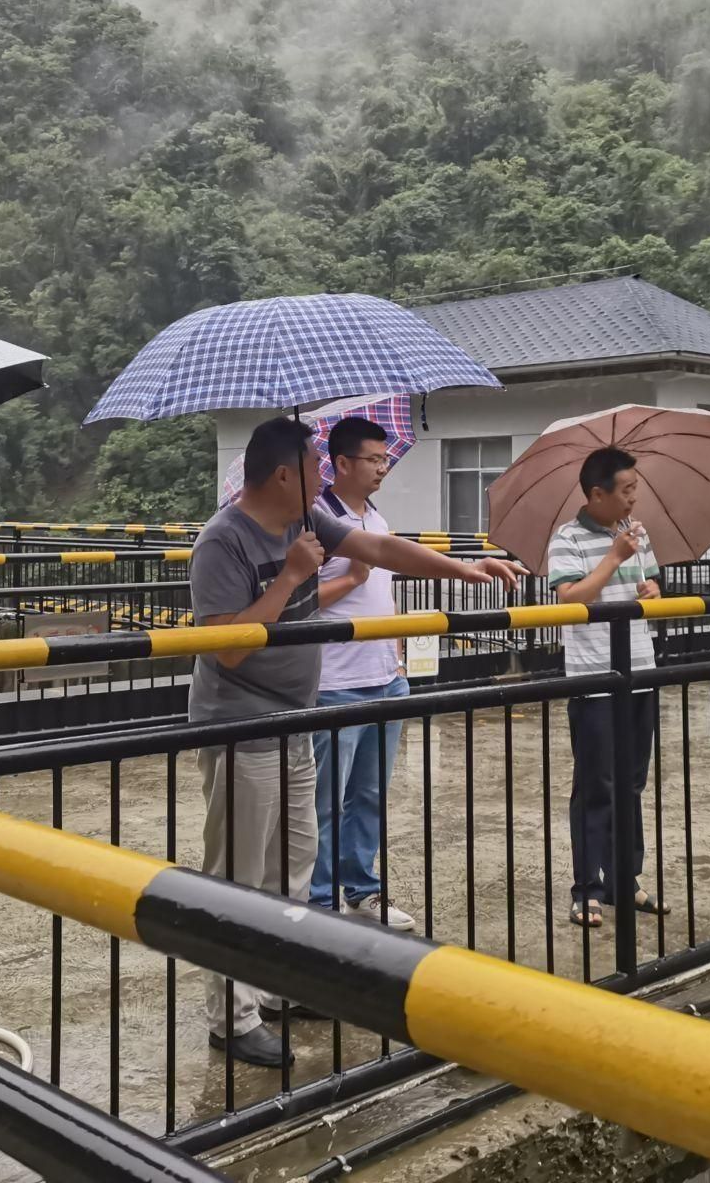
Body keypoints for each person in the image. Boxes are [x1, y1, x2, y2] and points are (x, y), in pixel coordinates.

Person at [191, 416, 523, 1069]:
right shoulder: (221, 541)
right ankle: (229, 1016)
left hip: (297, 715)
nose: (324, 477)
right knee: (237, 872)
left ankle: (282, 985)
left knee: (293, 864)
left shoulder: (308, 523)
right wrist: (289, 579)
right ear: (286, 474)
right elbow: (225, 649)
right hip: (240, 723)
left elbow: (380, 552)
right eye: (316, 465)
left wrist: (462, 568)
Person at [547, 447, 667, 929]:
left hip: (640, 671)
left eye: (636, 488)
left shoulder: (636, 534)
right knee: (596, 784)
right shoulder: (568, 538)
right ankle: (586, 889)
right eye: (627, 490)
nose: (634, 499)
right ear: (597, 494)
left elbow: (655, 591)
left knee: (633, 783)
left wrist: (653, 593)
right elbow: (570, 597)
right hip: (594, 676)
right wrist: (614, 559)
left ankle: (624, 880)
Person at [308, 417, 414, 930]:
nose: (382, 467)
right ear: (342, 463)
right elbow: (296, 602)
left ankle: (362, 887)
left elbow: (384, 594)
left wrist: (396, 653)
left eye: (384, 458)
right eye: (374, 459)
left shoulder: (376, 518)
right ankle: (321, 897)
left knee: (369, 793)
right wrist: (350, 576)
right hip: (334, 681)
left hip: (384, 675)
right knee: (325, 798)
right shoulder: (315, 520)